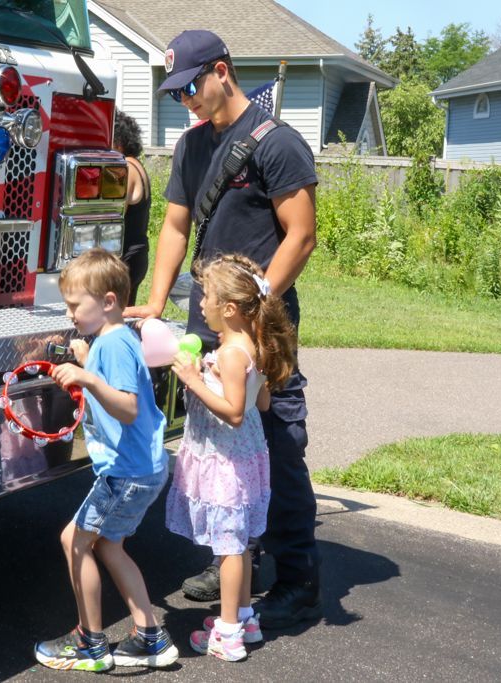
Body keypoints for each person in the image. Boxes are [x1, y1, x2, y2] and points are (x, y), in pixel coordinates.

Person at [124, 29, 322, 629]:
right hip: (208, 319)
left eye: (191, 87)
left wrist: (257, 305)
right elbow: (175, 228)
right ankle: (233, 556)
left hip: (261, 325)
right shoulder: (191, 146)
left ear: (221, 70)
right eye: (175, 92)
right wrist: (155, 301)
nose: (185, 99)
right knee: (218, 447)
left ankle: (297, 579)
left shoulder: (276, 142)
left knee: (276, 443)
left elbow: (301, 236)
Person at [34, 249, 178, 672]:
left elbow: (128, 408)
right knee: (110, 546)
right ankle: (150, 637)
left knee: (74, 541)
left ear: (109, 301)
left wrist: (87, 378)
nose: (70, 313)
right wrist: (86, 361)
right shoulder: (116, 338)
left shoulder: (113, 345)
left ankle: (90, 644)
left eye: (75, 305)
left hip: (125, 472)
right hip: (142, 467)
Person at [166, 254, 298, 662]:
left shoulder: (231, 354)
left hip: (226, 460)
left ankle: (227, 635)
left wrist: (194, 380)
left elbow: (236, 412)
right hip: (245, 457)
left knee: (228, 547)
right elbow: (263, 402)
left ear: (228, 309)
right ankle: (243, 618)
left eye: (205, 295)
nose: (200, 303)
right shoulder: (251, 345)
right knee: (238, 543)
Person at [113, 109, 151, 306]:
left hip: (127, 256)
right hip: (138, 253)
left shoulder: (125, 167)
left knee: (115, 315)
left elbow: (116, 215)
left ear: (119, 142)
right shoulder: (137, 165)